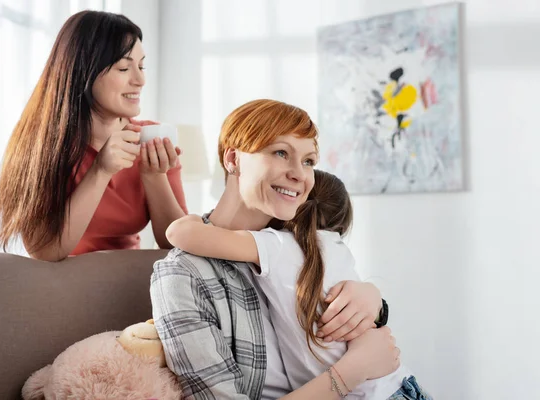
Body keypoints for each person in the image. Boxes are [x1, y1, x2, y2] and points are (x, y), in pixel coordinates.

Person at [150, 99, 397, 399]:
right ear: (233, 159)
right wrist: (352, 371)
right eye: (281, 153)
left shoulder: (299, 240)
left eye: (309, 162)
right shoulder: (184, 276)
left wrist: (374, 302)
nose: (301, 175)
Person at [167, 169, 431, 399]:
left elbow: (180, 233)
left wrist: (192, 219)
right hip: (395, 385)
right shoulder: (335, 248)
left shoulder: (277, 246)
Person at [0, 11, 187, 261]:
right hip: (65, 290)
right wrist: (100, 170)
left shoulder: (150, 138)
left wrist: (154, 176)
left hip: (132, 289)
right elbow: (44, 251)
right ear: (83, 71)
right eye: (124, 67)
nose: (140, 80)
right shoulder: (41, 145)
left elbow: (176, 248)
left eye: (141, 66)